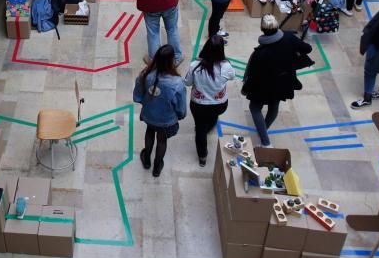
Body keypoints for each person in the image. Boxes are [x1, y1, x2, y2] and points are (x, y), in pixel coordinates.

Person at [241, 14, 311, 146]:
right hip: (283, 82)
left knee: (255, 107)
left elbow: (253, 75)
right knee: (274, 105)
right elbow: (308, 48)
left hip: (264, 85)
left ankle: (265, 140)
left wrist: (245, 89)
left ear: (262, 29)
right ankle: (264, 130)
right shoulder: (290, 38)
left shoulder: (260, 53)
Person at [133, 44, 187, 177]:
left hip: (149, 115)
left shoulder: (145, 75)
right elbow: (181, 108)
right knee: (162, 140)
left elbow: (137, 97)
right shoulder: (177, 83)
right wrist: (180, 115)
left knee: (149, 133)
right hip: (166, 120)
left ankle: (146, 160)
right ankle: (157, 167)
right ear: (171, 61)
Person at [183, 35, 235, 166]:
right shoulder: (226, 67)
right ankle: (210, 125)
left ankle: (202, 157)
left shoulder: (195, 66)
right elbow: (232, 77)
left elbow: (187, 83)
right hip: (219, 104)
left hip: (199, 105)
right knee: (212, 117)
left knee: (200, 128)